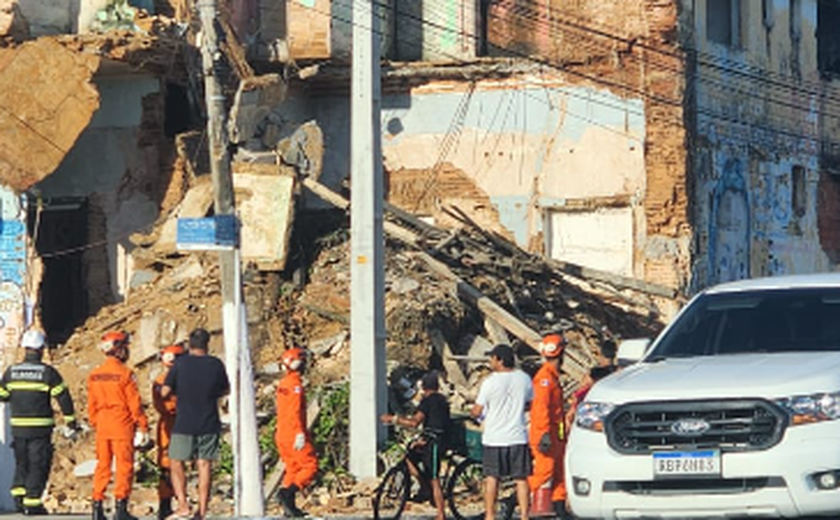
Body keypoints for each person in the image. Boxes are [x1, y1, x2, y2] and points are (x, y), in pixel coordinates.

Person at [0, 328, 78, 515]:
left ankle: (19, 498)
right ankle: (33, 503)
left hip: (18, 428)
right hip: (40, 429)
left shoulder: (11, 372)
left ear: (25, 348)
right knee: (38, 463)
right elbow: (63, 398)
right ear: (41, 349)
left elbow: (2, 396)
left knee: (22, 463)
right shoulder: (47, 373)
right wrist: (71, 422)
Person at [160, 328, 229, 520]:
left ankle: (183, 505)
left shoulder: (180, 365)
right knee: (204, 465)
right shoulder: (216, 364)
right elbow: (225, 389)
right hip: (209, 421)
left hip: (184, 422)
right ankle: (202, 511)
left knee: (176, 461)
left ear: (190, 344)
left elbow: (165, 392)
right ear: (208, 344)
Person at [87, 331, 150, 520]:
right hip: (121, 424)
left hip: (102, 425)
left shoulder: (95, 374)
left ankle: (97, 507)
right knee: (124, 466)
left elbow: (91, 405)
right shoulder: (125, 374)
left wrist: (96, 422)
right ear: (119, 349)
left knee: (102, 466)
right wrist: (143, 425)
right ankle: (120, 509)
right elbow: (134, 404)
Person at [470, 344, 533, 520]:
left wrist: (473, 414)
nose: (490, 361)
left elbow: (477, 409)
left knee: (492, 478)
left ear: (500, 360)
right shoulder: (524, 379)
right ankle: (525, 515)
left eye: (492, 358)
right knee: (521, 478)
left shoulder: (490, 382)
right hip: (517, 436)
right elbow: (530, 403)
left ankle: (490, 515)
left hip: (494, 437)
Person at [380, 371, 450, 520]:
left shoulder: (428, 401)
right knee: (409, 457)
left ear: (424, 387)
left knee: (434, 477)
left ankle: (441, 514)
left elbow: (414, 422)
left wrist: (393, 419)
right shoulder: (443, 400)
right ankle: (425, 488)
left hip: (435, 442)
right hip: (432, 438)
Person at [274, 347, 318, 518]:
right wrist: (300, 433)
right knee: (310, 466)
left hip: (282, 433)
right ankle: (288, 493)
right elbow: (295, 411)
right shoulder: (295, 386)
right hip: (293, 432)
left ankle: (288, 505)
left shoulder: (283, 384)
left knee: (292, 469)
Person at [528, 333, 568, 518]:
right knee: (544, 473)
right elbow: (541, 408)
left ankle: (559, 510)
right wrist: (544, 433)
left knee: (559, 473)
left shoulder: (552, 377)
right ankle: (514, 501)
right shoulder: (544, 378)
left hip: (555, 434)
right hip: (545, 434)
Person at [152, 344, 186, 520]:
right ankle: (167, 504)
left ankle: (175, 503)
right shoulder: (163, 381)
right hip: (171, 424)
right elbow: (162, 405)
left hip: (175, 423)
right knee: (168, 466)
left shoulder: (165, 380)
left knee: (175, 465)